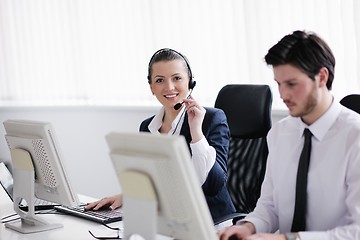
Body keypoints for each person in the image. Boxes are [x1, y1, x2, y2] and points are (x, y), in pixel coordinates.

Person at [218, 30, 360, 240]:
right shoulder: (280, 133)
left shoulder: (355, 137)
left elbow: (356, 231)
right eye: (279, 84)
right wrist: (248, 227)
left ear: (321, 77)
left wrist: (287, 239)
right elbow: (269, 205)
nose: (283, 95)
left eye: (292, 84)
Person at [85, 48, 235, 223]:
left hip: (213, 223)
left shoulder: (211, 118)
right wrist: (124, 197)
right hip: (171, 221)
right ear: (152, 88)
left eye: (177, 78)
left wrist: (197, 134)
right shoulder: (148, 127)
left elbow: (213, 185)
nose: (169, 87)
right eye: (160, 80)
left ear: (190, 82)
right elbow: (155, 182)